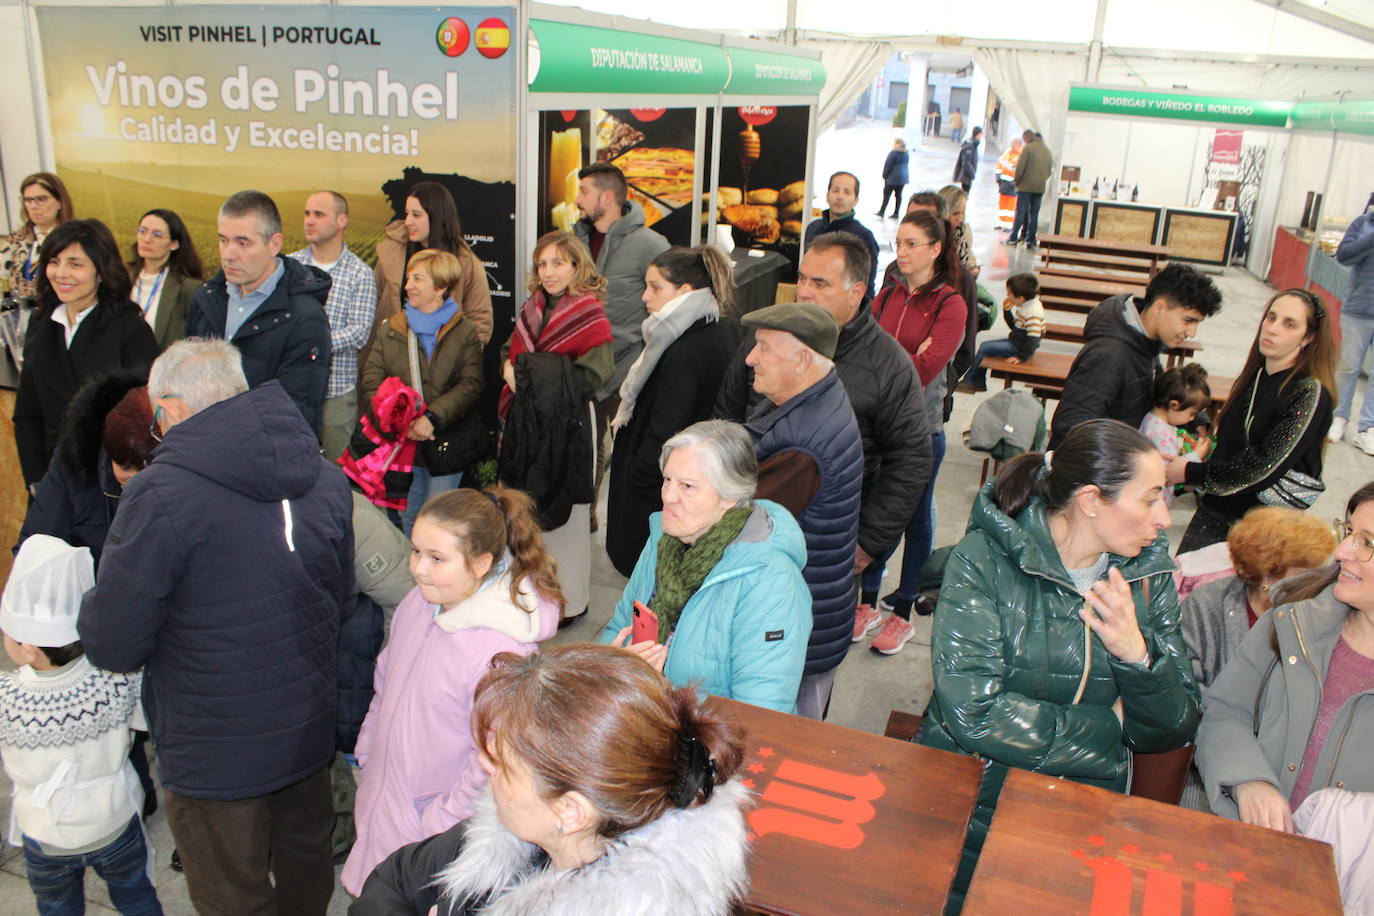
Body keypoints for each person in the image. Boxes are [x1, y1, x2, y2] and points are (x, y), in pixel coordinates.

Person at [77, 339, 354, 915]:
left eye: (156, 415)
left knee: (232, 891)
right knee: (306, 869)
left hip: (213, 749)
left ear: (172, 410)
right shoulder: (325, 477)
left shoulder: (158, 494)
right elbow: (340, 594)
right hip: (305, 729)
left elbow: (113, 641)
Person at [922, 419, 1202, 909]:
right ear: (1092, 500)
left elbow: (1173, 727)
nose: (1164, 518)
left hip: (1079, 813)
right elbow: (973, 713)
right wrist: (1108, 728)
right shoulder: (983, 561)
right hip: (967, 797)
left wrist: (1137, 655)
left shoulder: (1148, 575)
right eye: (1150, 497)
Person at [350, 644, 751, 915]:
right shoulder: (513, 832)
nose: (487, 770)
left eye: (505, 766)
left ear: (570, 811)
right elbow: (397, 877)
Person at [341, 486, 562, 895]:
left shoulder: (502, 651)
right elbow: (385, 682)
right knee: (376, 895)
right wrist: (370, 751)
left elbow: (494, 759)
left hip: (430, 829)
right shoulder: (419, 603)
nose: (419, 569)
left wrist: (435, 822)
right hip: (385, 797)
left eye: (437, 558)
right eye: (417, 552)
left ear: (481, 563)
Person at [716, 235, 930, 640]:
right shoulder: (765, 337)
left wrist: (868, 541)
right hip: (743, 535)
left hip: (826, 550)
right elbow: (726, 415)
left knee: (804, 657)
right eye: (802, 279)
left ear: (856, 292)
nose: (805, 292)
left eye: (820, 284)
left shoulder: (889, 366)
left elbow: (911, 459)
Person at [1195, 481, 1374, 842]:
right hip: (1244, 847)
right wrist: (1247, 779)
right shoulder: (1290, 622)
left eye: (1367, 543)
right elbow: (1225, 709)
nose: (1341, 552)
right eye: (1350, 532)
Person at [599, 420, 811, 713]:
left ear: (731, 497)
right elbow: (618, 626)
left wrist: (655, 692)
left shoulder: (771, 583)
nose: (668, 497)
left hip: (702, 745)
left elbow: (761, 713)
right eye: (667, 480)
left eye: (687, 486)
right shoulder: (663, 539)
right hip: (642, 716)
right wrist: (618, 666)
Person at [0, 536, 161, 916]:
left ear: (28, 646)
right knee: (137, 897)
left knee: (57, 907)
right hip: (114, 821)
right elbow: (142, 721)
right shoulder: (113, 678)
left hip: (45, 835)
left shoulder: (6, 694)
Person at [741, 303, 863, 718]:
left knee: (784, 744)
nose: (750, 358)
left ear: (803, 358)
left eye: (763, 348)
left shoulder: (804, 443)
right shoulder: (807, 401)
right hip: (812, 613)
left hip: (793, 633)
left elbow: (740, 530)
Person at [498, 231, 613, 623]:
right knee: (526, 504)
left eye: (558, 263)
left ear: (577, 266)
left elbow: (594, 376)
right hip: (527, 423)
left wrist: (527, 373)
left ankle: (569, 602)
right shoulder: (532, 308)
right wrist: (509, 367)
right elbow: (510, 348)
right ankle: (533, 595)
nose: (548, 272)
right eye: (542, 264)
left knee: (568, 509)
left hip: (571, 423)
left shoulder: (589, 312)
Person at [605, 246, 741, 576]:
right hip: (684, 481)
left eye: (655, 287)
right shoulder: (708, 331)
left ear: (684, 292)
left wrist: (637, 476)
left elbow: (666, 426)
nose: (644, 297)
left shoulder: (684, 348)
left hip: (660, 488)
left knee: (652, 577)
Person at [865, 211, 968, 641]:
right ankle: (866, 602)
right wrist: (902, 355)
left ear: (935, 249)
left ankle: (903, 611)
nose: (901, 252)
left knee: (915, 519)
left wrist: (888, 358)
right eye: (898, 243)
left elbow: (925, 371)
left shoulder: (950, 304)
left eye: (911, 244)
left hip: (921, 430)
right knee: (873, 512)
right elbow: (860, 347)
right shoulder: (888, 295)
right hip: (878, 424)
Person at [1172, 289, 1337, 553]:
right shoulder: (1255, 376)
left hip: (1264, 526)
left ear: (1308, 337)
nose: (1272, 329)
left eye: (1289, 324)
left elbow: (1264, 466)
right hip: (1217, 507)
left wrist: (1190, 473)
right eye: (1270, 318)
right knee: (1184, 587)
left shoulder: (1309, 393)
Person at [13, 219, 160, 494]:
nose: (61, 273)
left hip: (108, 484)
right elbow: (27, 413)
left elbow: (147, 416)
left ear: (101, 271)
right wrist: (35, 479)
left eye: (75, 264)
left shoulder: (130, 328)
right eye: (54, 261)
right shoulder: (41, 323)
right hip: (51, 479)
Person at [187, 189, 333, 434]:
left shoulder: (306, 319)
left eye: (243, 243)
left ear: (274, 244)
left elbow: (294, 414)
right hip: (204, 448)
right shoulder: (207, 299)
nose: (229, 254)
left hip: (264, 460)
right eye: (223, 240)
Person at [361, 248, 484, 536]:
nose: (408, 286)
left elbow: (471, 384)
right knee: (407, 521)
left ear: (440, 287)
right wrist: (403, 421)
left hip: (445, 443)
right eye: (408, 278)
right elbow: (371, 381)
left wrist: (431, 418)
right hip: (402, 444)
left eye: (417, 279)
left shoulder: (463, 331)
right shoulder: (390, 329)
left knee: (439, 520)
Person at [572, 162, 670, 519]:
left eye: (584, 192)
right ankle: (586, 517)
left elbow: (670, 303)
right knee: (587, 442)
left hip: (627, 365)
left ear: (607, 196)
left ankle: (626, 519)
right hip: (582, 364)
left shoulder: (650, 244)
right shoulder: (575, 241)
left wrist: (649, 352)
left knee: (627, 447)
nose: (577, 200)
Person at [1050, 263, 1223, 449]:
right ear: (1159, 308)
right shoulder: (1109, 355)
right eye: (1188, 320)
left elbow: (1157, 394)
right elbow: (1072, 430)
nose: (1192, 332)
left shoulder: (1144, 341)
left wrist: (1195, 418)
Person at [1181, 506, 1335, 689]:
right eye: (1305, 572)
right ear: (1267, 573)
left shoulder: (1322, 610)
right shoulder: (1206, 604)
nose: (1317, 580)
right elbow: (1186, 683)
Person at [17, 374, 155, 563]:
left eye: (145, 467)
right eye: (124, 466)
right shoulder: (74, 463)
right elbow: (34, 551)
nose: (134, 478)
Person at [289, 190, 379, 459]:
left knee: (335, 473)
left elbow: (359, 333)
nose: (309, 220)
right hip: (294, 389)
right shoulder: (289, 266)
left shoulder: (359, 273)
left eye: (318, 214)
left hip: (336, 392)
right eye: (307, 213)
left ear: (341, 221)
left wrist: (310, 341)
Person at [372, 181, 492, 344]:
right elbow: (373, 303)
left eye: (416, 214)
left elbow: (480, 320)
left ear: (437, 217)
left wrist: (456, 359)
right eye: (406, 213)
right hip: (392, 358)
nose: (407, 221)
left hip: (442, 364)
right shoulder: (391, 252)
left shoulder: (466, 263)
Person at [1329, 202, 1374, 450]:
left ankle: (1368, 427)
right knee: (1348, 366)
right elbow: (1344, 256)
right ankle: (1339, 417)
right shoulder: (1363, 223)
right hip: (1359, 308)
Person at [125, 208, 202, 349]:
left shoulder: (188, 289)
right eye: (142, 231)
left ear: (174, 244)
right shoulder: (124, 278)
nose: (147, 239)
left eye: (157, 235)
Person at [1139, 363, 1211, 509]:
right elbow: (1167, 472)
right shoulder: (1160, 433)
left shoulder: (1152, 420)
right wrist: (1196, 455)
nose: (1192, 419)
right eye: (1192, 413)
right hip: (1153, 506)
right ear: (1174, 405)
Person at [957, 272, 1042, 393]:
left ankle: (971, 381)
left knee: (985, 348)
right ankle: (978, 381)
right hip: (1015, 342)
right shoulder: (1025, 306)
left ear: (1020, 298)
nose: (1007, 296)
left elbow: (1033, 339)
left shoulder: (1032, 312)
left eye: (1009, 294)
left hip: (1018, 348)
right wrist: (1007, 311)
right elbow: (1015, 327)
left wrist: (1020, 357)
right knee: (986, 347)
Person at [804, 171, 880, 298]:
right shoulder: (813, 228)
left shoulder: (864, 236)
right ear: (827, 196)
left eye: (847, 192)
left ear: (856, 200)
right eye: (835, 190)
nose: (840, 197)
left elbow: (867, 285)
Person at [1, 172, 74, 299]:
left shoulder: (73, 241)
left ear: (60, 202)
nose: (33, 206)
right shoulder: (16, 240)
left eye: (41, 199)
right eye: (28, 200)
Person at [1007, 129, 1053, 247]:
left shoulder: (1028, 148)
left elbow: (1020, 167)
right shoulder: (1047, 151)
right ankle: (1030, 240)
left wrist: (1016, 181)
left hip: (1025, 187)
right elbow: (1049, 171)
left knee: (1020, 213)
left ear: (1027, 138)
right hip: (1039, 188)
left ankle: (1013, 237)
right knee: (1034, 214)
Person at [938, 184, 979, 276]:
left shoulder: (963, 230)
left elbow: (969, 255)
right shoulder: (933, 235)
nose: (960, 218)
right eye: (955, 213)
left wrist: (972, 267)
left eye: (963, 213)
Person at [876, 138, 909, 219]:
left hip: (892, 178)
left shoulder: (893, 153)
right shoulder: (906, 153)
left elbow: (888, 165)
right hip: (903, 178)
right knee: (898, 195)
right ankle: (896, 213)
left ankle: (882, 211)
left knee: (886, 195)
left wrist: (884, 175)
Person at [953, 126, 982, 193]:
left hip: (967, 176)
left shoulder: (973, 144)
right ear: (978, 134)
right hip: (966, 176)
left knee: (965, 194)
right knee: (965, 194)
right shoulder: (970, 146)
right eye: (981, 134)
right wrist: (972, 173)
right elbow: (966, 162)